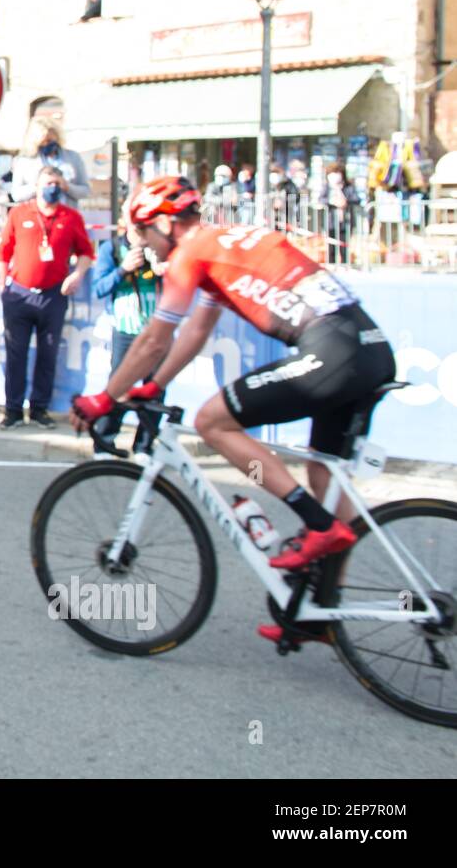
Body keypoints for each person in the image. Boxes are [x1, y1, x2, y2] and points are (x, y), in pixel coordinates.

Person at [70, 175, 396, 642]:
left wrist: (106, 397)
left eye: (144, 232)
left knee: (212, 421)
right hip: (368, 348)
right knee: (325, 475)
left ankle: (318, 527)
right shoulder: (224, 242)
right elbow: (196, 332)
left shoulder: (190, 253)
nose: (144, 244)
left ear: (165, 224)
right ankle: (322, 610)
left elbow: (155, 339)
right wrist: (154, 385)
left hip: (332, 351)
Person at [0, 166, 94, 430]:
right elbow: (3, 252)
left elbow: (86, 252)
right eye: (47, 183)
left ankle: (40, 409)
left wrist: (77, 275)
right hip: (19, 294)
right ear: (37, 186)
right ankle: (13, 410)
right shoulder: (19, 213)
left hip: (53, 295)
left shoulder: (71, 217)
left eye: (56, 183)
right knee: (16, 354)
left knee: (48, 353)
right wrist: (3, 286)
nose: (52, 187)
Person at [89, 221, 167, 455]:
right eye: (138, 229)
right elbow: (98, 288)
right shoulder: (111, 249)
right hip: (125, 329)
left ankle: (144, 446)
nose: (143, 235)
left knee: (155, 389)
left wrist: (165, 270)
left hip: (157, 331)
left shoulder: (162, 247)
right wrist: (123, 269)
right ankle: (105, 441)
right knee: (118, 387)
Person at [10, 117, 91, 208]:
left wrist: (67, 187)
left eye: (50, 140)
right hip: (37, 216)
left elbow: (85, 191)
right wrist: (39, 185)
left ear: (57, 137)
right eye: (43, 142)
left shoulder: (73, 158)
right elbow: (16, 195)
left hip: (66, 214)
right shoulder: (25, 161)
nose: (47, 144)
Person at [319, 161, 360, 264]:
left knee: (344, 247)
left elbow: (356, 199)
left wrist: (346, 202)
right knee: (331, 248)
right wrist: (331, 202)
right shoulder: (327, 187)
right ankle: (332, 266)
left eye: (337, 173)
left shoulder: (348, 187)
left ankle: (345, 266)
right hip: (330, 221)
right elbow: (321, 199)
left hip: (345, 221)